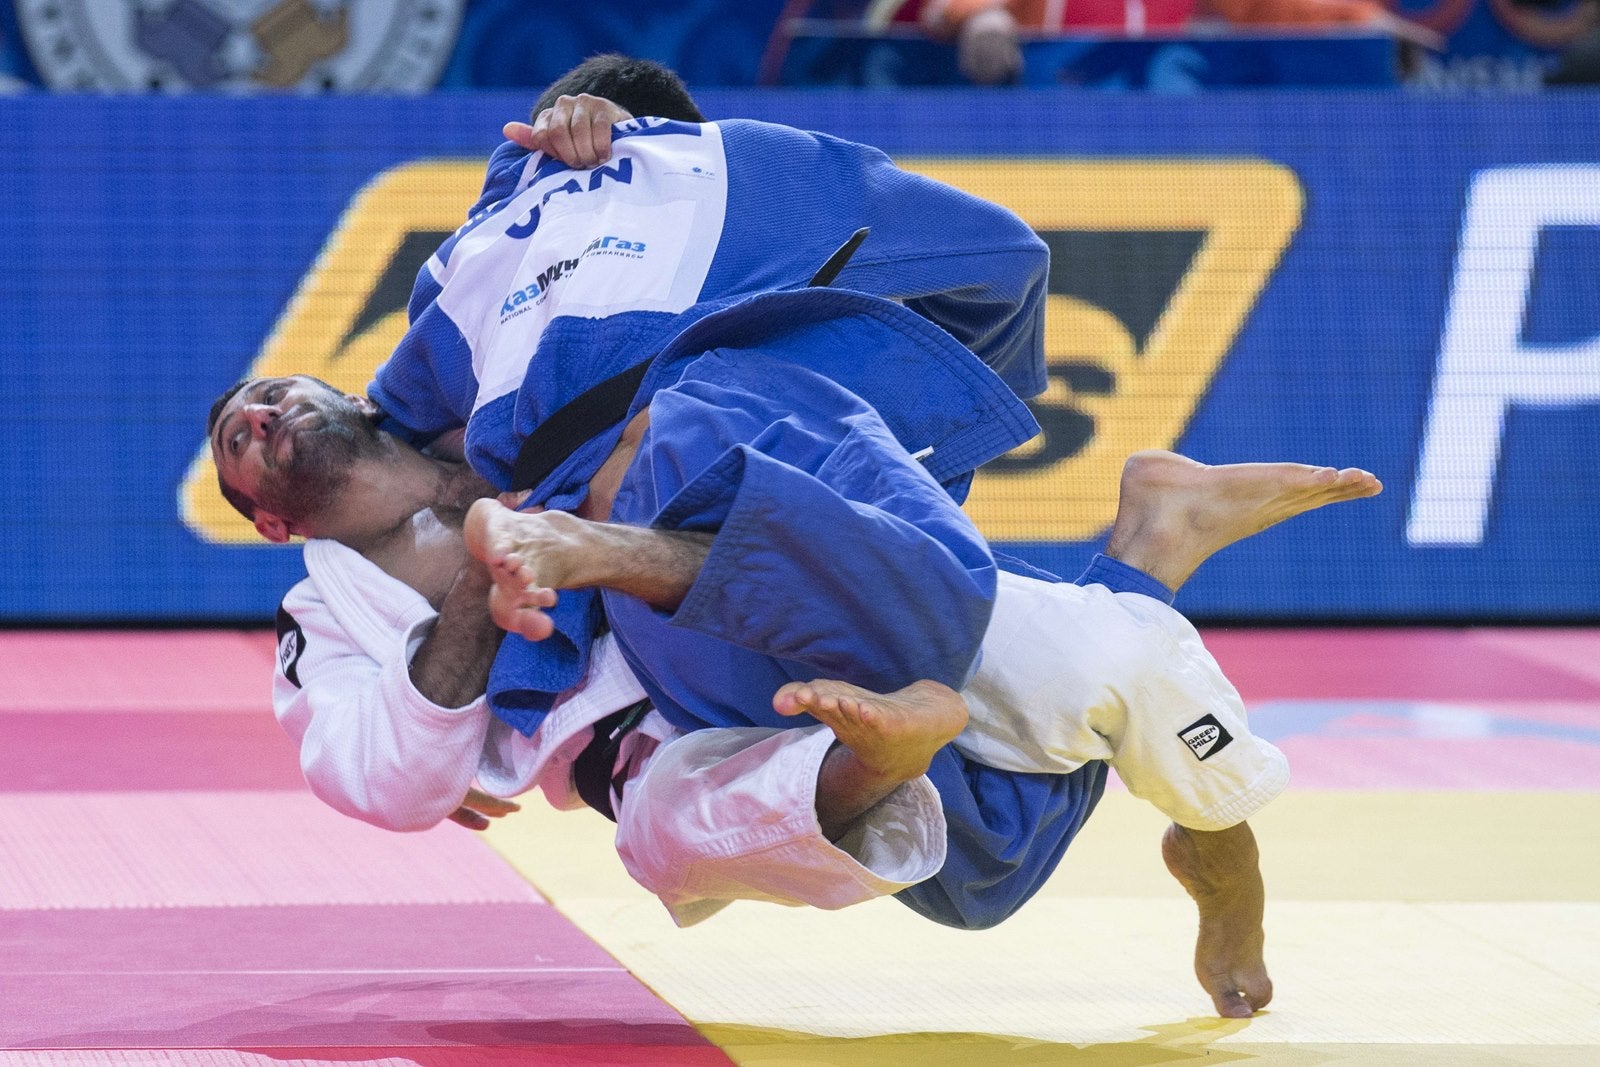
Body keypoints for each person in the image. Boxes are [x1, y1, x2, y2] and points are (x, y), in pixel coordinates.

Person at [209, 365, 1378, 1017]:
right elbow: (389, 782)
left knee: (1119, 671)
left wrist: (602, 123)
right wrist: (479, 577)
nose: (256, 411)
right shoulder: (325, 617)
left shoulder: (497, 400)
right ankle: (1122, 571)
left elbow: (629, 229)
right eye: (236, 435)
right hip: (665, 731)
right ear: (268, 519)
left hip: (805, 581)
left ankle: (1220, 854)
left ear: (340, 388)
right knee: (707, 840)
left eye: (266, 391)